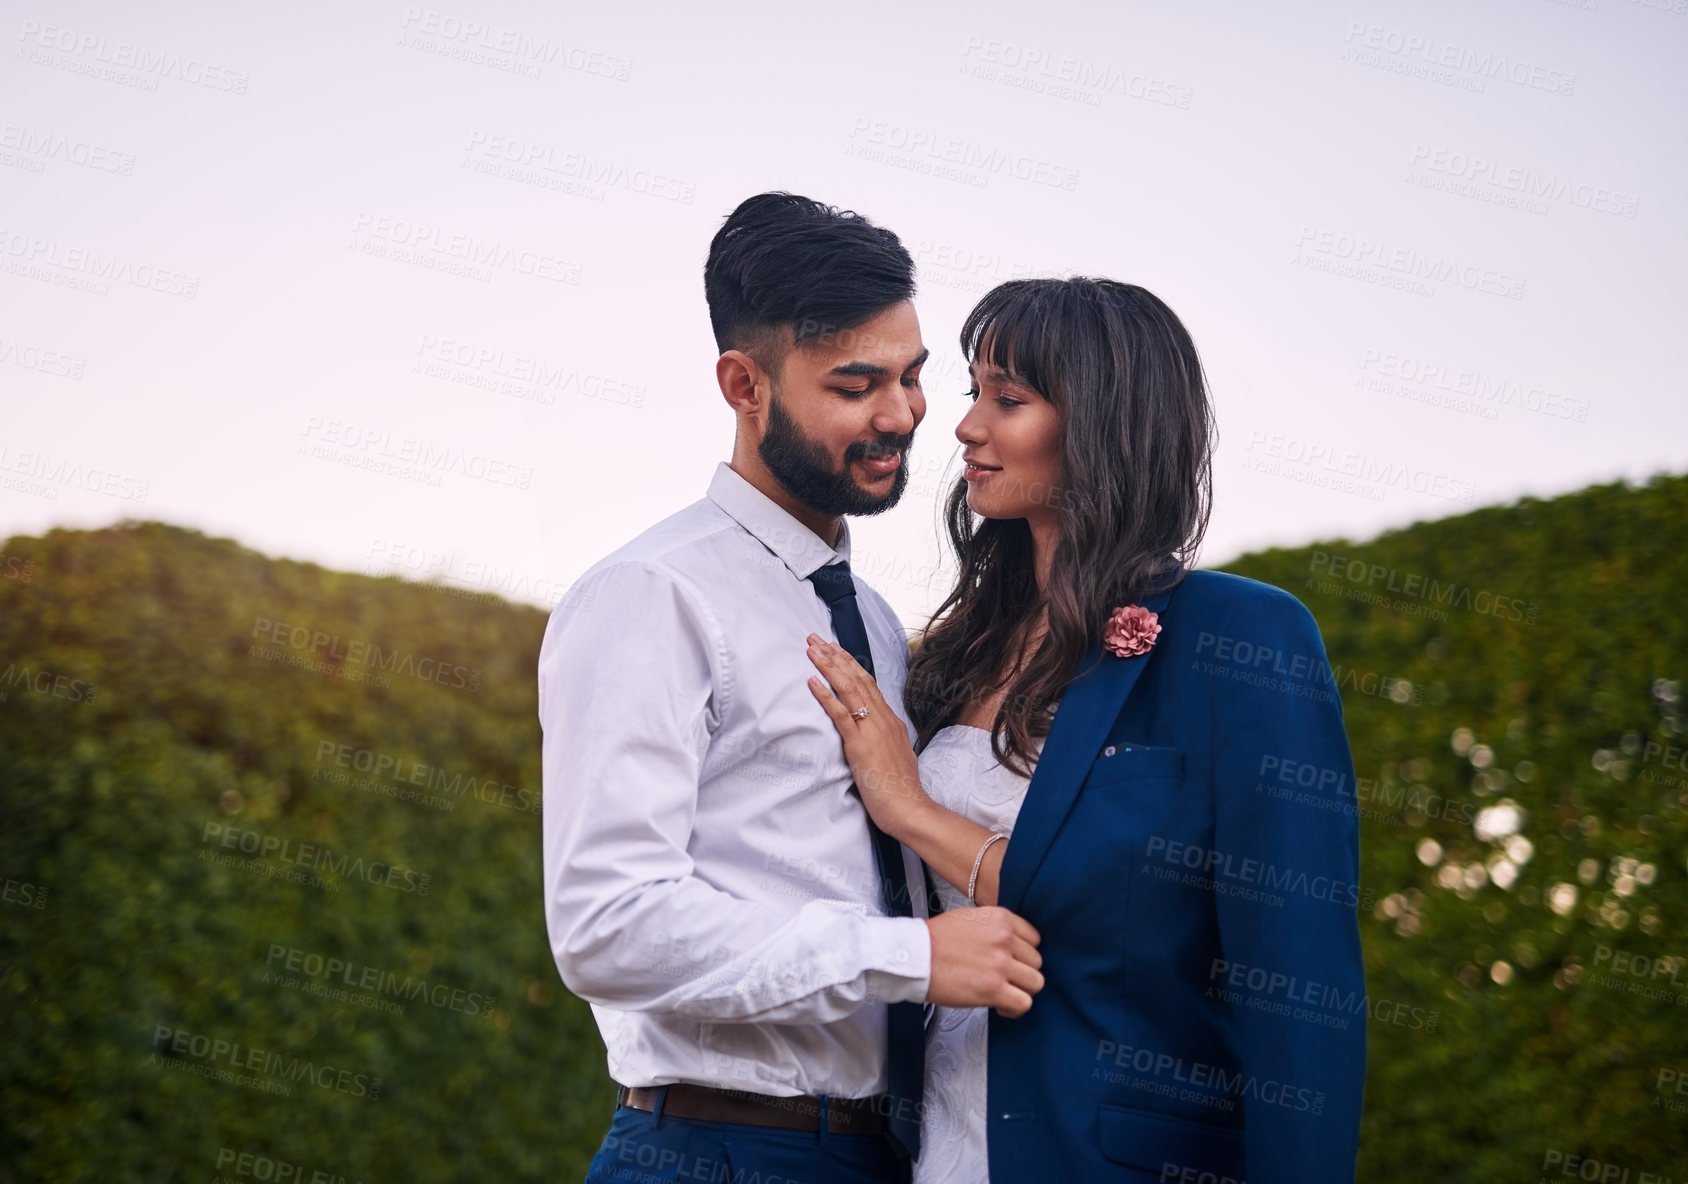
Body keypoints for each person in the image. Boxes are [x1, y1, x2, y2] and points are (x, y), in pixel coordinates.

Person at [803, 277, 1367, 1183]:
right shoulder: (948, 654)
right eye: (973, 394)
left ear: (1104, 425)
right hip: (927, 1149)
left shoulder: (1241, 639)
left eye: (1010, 400)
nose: (965, 428)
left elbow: (1303, 998)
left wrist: (910, 806)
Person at [537, 193, 1045, 1184]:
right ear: (743, 382)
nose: (899, 414)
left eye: (910, 376)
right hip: (719, 1150)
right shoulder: (653, 594)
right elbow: (606, 922)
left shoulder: (879, 625)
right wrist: (908, 955)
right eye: (854, 384)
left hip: (887, 1152)